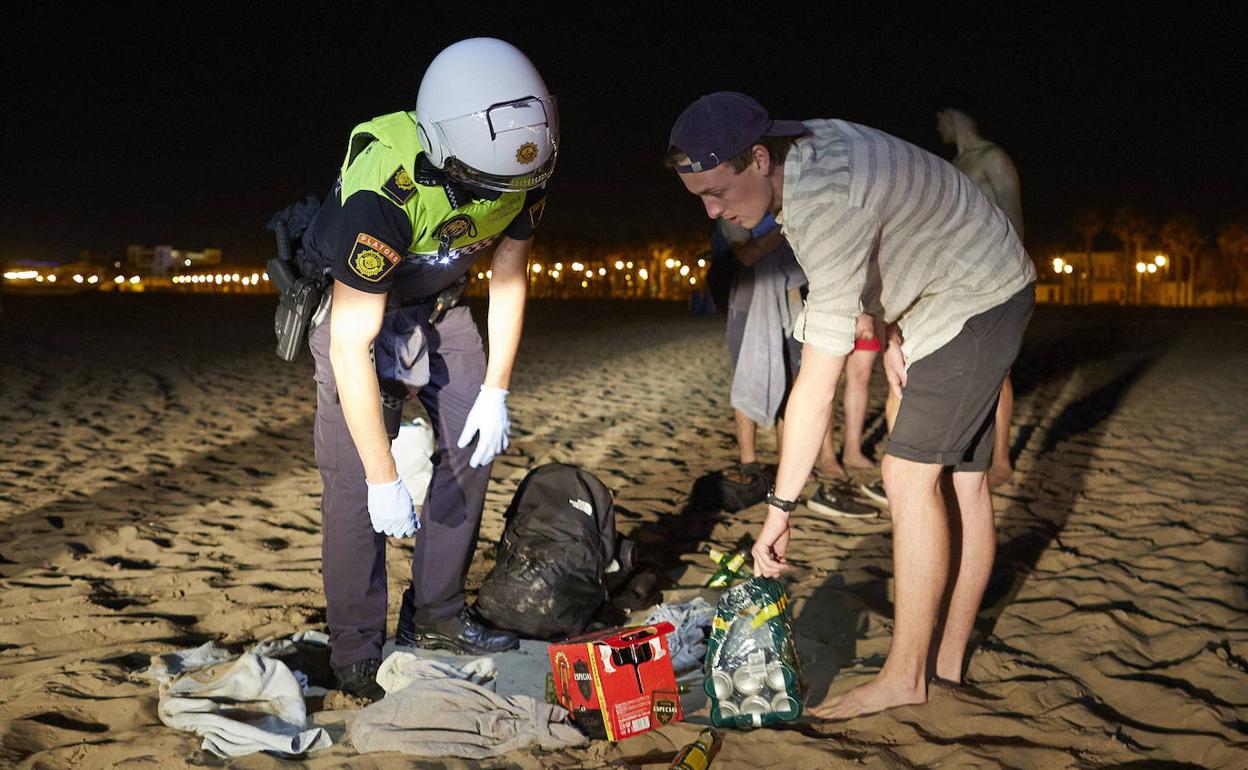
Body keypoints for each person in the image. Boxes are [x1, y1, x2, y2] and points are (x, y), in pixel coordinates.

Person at [666, 92, 1035, 719]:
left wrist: (780, 509)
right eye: (699, 195)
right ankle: (942, 666)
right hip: (982, 283)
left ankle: (905, 676)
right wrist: (893, 326)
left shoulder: (822, 205)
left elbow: (816, 384)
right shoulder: (811, 145)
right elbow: (900, 216)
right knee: (964, 487)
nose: (712, 209)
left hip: (971, 299)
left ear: (759, 158)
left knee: (907, 474)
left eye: (718, 191)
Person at [300, 38, 557, 701]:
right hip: (358, 311)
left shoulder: (525, 162)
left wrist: (496, 389)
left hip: (442, 305)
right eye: (481, 187)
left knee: (473, 447)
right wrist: (387, 479)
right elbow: (350, 345)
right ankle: (355, 648)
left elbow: (508, 277)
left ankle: (437, 617)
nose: (497, 199)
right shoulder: (383, 191)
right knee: (355, 485)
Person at [935, 92, 1024, 488]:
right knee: (962, 363)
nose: (937, 128)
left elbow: (1014, 217)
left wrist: (1015, 280)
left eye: (939, 120)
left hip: (994, 275)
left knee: (998, 369)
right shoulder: (955, 165)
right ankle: (965, 448)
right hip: (957, 278)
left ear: (952, 117)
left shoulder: (992, 158)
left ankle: (1001, 456)